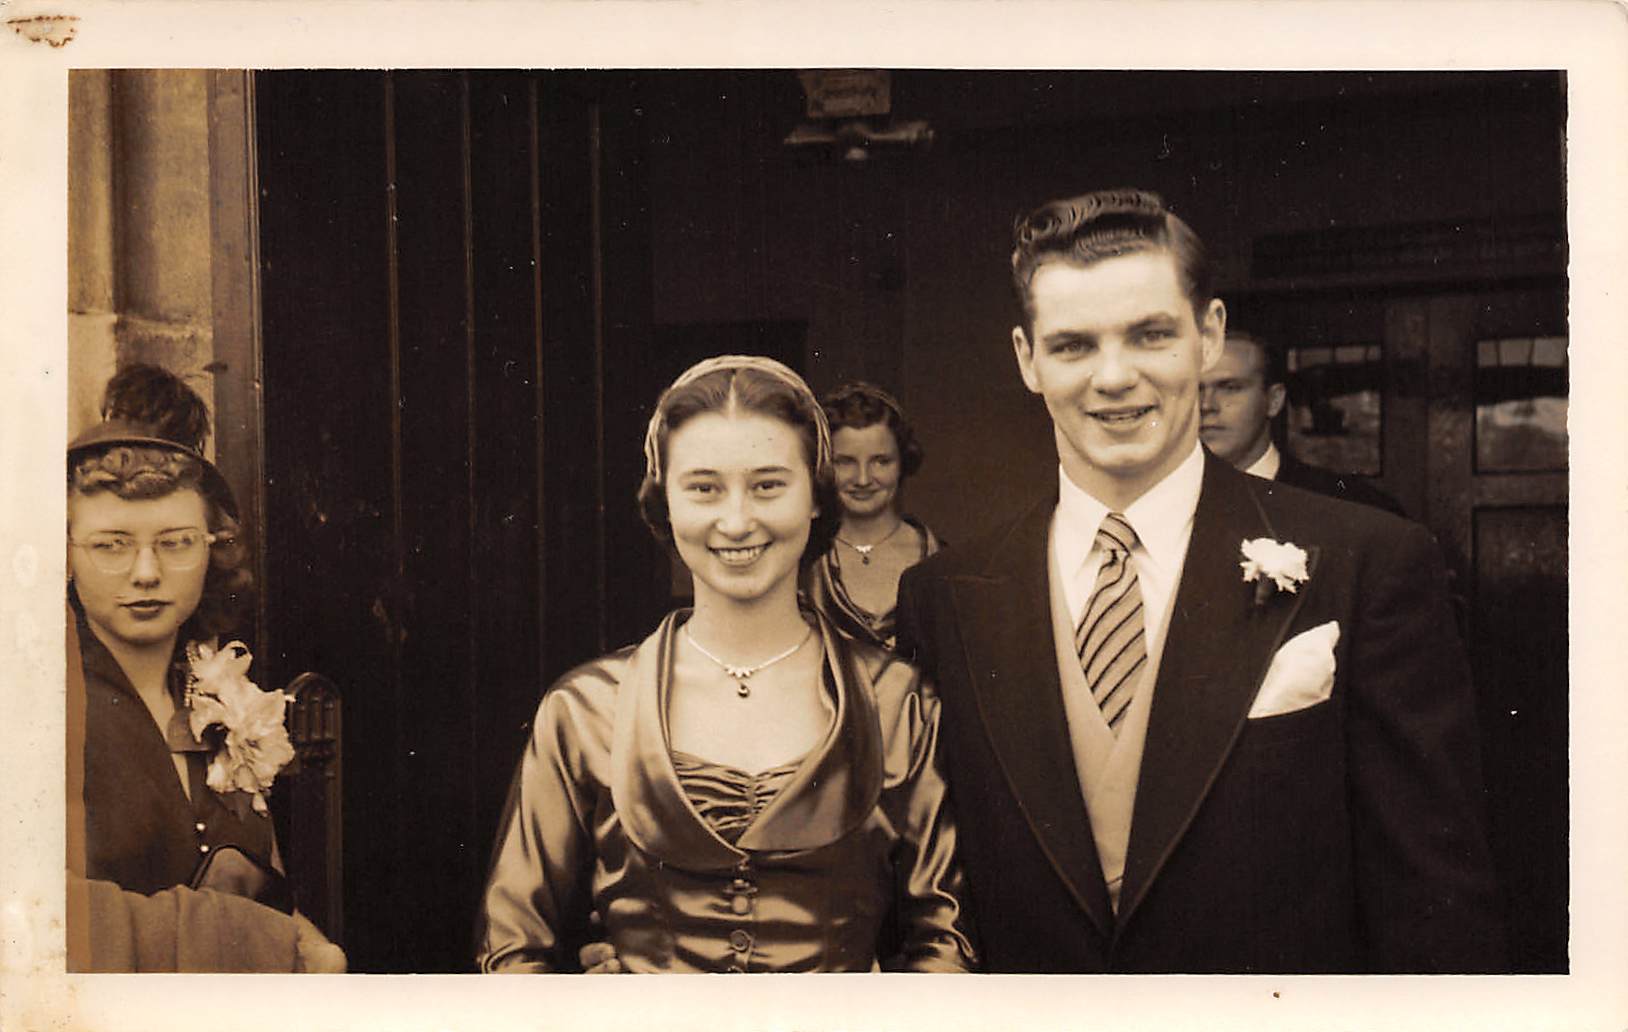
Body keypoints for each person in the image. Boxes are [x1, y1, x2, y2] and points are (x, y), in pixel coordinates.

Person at [894, 189, 1504, 972]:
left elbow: (1435, 906)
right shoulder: (945, 596)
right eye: (1073, 345)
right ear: (1027, 359)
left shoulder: (1368, 562)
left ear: (1208, 335)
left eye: (1150, 335)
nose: (1114, 377)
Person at [476, 355, 975, 973]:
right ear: (665, 501)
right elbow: (512, 950)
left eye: (768, 485)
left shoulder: (898, 702)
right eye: (703, 488)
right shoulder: (585, 709)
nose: (736, 521)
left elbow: (946, 943)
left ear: (816, 498)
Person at [66, 363, 344, 972]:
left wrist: (314, 950)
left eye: (176, 542)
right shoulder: (38, 704)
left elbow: (266, 890)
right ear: (66, 552)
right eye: (111, 545)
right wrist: (265, 945)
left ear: (212, 548)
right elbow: (37, 922)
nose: (146, 572)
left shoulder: (221, 693)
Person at [1199, 330, 1406, 515]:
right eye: (1194, 390)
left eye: (1230, 388)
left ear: (1274, 400)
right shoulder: (1179, 502)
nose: (1206, 405)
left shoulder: (1354, 506)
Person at [804, 381, 943, 650]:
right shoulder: (802, 560)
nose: (863, 479)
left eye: (881, 461)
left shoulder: (938, 558)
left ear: (903, 462)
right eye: (845, 462)